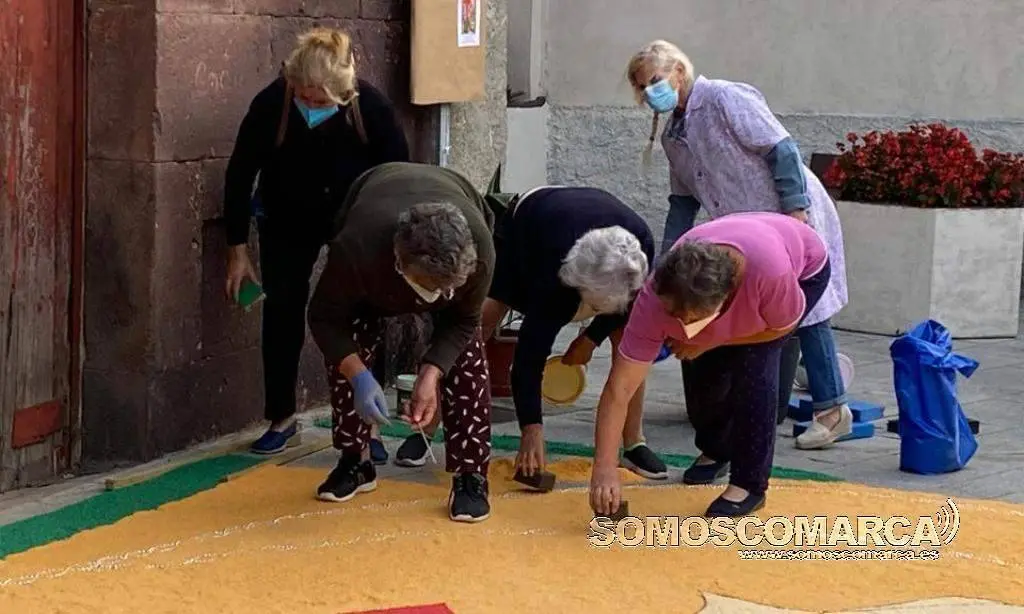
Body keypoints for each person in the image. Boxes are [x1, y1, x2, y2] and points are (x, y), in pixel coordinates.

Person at [625, 40, 853, 449]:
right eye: (642, 87)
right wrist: (666, 262)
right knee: (760, 309)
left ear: (679, 71)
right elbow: (682, 203)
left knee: (809, 309)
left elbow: (780, 148)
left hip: (787, 217)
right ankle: (773, 390)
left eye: (655, 80)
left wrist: (795, 211)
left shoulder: (723, 98)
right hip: (745, 233)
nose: (649, 92)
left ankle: (832, 410)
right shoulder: (674, 137)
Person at [390, 186, 669, 480]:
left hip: (587, 227)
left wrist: (591, 338)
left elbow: (630, 309)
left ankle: (634, 442)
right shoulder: (554, 281)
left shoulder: (641, 253)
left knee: (630, 344)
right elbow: (528, 357)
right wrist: (531, 427)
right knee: (479, 321)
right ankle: (426, 426)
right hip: (525, 229)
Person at [222, 27, 409, 456]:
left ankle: (369, 427)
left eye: (323, 102)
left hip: (355, 220)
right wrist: (237, 250)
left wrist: (391, 245)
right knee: (282, 309)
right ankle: (282, 417)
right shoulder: (272, 103)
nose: (311, 106)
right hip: (286, 217)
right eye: (304, 96)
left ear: (343, 92)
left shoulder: (371, 108)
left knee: (363, 312)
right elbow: (239, 174)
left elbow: (399, 177)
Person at [589, 212, 831, 518]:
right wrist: (604, 467)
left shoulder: (770, 276)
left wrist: (713, 340)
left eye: (692, 319)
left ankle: (749, 483)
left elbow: (780, 327)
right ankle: (717, 449)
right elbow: (620, 388)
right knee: (699, 365)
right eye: (673, 315)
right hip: (740, 256)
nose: (681, 325)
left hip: (802, 265)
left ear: (725, 300)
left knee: (755, 365)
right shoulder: (654, 299)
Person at [307, 161, 495, 523]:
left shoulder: (479, 250)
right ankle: (355, 461)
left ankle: (471, 475)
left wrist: (431, 374)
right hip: (374, 199)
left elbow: (464, 319)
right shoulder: (356, 249)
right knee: (349, 343)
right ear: (399, 262)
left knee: (468, 355)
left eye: (450, 288)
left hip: (454, 201)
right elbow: (325, 318)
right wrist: (359, 375)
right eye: (432, 287)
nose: (443, 296)